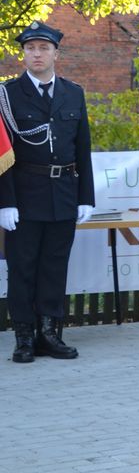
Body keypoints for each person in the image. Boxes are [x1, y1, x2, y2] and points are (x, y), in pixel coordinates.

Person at [1, 20, 94, 363]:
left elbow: (83, 148)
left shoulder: (73, 93)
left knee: (54, 268)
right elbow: (2, 153)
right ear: (23, 54)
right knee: (22, 268)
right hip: (24, 197)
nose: (37, 54)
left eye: (44, 48)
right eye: (30, 48)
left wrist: (86, 197)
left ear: (57, 53)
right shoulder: (7, 95)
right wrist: (6, 202)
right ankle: (24, 336)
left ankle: (49, 334)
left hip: (64, 194)